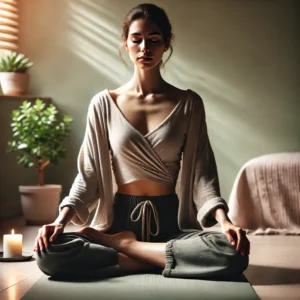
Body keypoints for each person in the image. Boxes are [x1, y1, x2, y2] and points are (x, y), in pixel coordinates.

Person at [34, 3, 250, 280]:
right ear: (125, 43)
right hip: (118, 220)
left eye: (154, 40)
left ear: (166, 44)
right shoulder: (103, 104)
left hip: (172, 226)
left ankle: (127, 249)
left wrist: (225, 222)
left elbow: (202, 175)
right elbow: (87, 175)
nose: (145, 48)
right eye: (136, 40)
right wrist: (59, 221)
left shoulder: (188, 103)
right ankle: (161, 259)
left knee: (233, 253)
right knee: (48, 253)